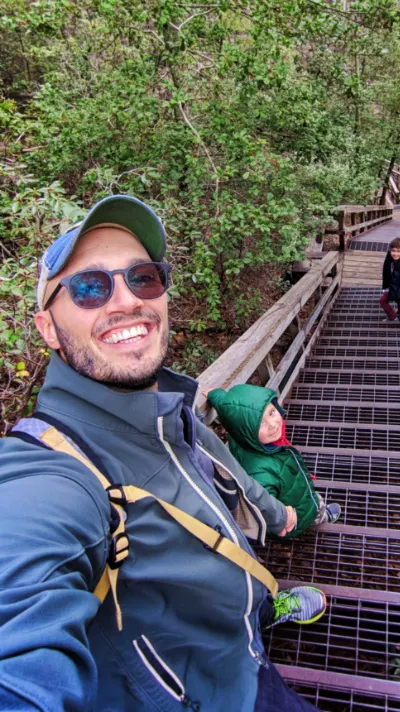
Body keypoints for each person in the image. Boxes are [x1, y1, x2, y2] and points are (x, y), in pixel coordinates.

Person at [0, 195, 326, 712]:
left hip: (239, 649)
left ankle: (261, 610)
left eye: (143, 278)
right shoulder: (48, 475)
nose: (126, 300)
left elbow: (227, 472)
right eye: (89, 287)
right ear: (48, 330)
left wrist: (269, 513)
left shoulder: (169, 412)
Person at [205, 385, 341, 537]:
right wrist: (281, 522)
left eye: (271, 412)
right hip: (294, 513)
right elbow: (261, 506)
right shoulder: (260, 473)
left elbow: (227, 405)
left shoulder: (239, 434)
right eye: (260, 424)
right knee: (313, 506)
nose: (273, 424)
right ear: (245, 430)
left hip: (287, 482)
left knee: (305, 492)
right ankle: (321, 515)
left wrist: (214, 394)